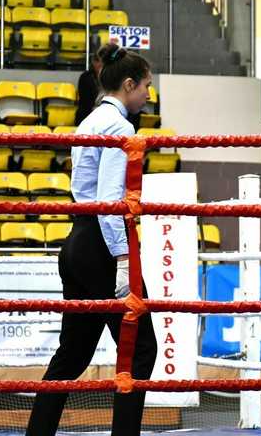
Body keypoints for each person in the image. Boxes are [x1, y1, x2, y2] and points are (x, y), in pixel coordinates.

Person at [26, 44, 158, 436]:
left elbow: (83, 190)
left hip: (78, 241)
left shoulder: (88, 121)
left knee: (73, 355)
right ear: (129, 84)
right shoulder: (119, 127)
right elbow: (108, 198)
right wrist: (121, 258)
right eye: (146, 87)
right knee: (141, 350)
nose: (149, 95)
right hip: (101, 243)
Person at [75, 52, 103, 126]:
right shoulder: (85, 77)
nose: (101, 66)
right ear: (94, 62)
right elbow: (85, 101)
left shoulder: (111, 77)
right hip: (88, 112)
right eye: (99, 62)